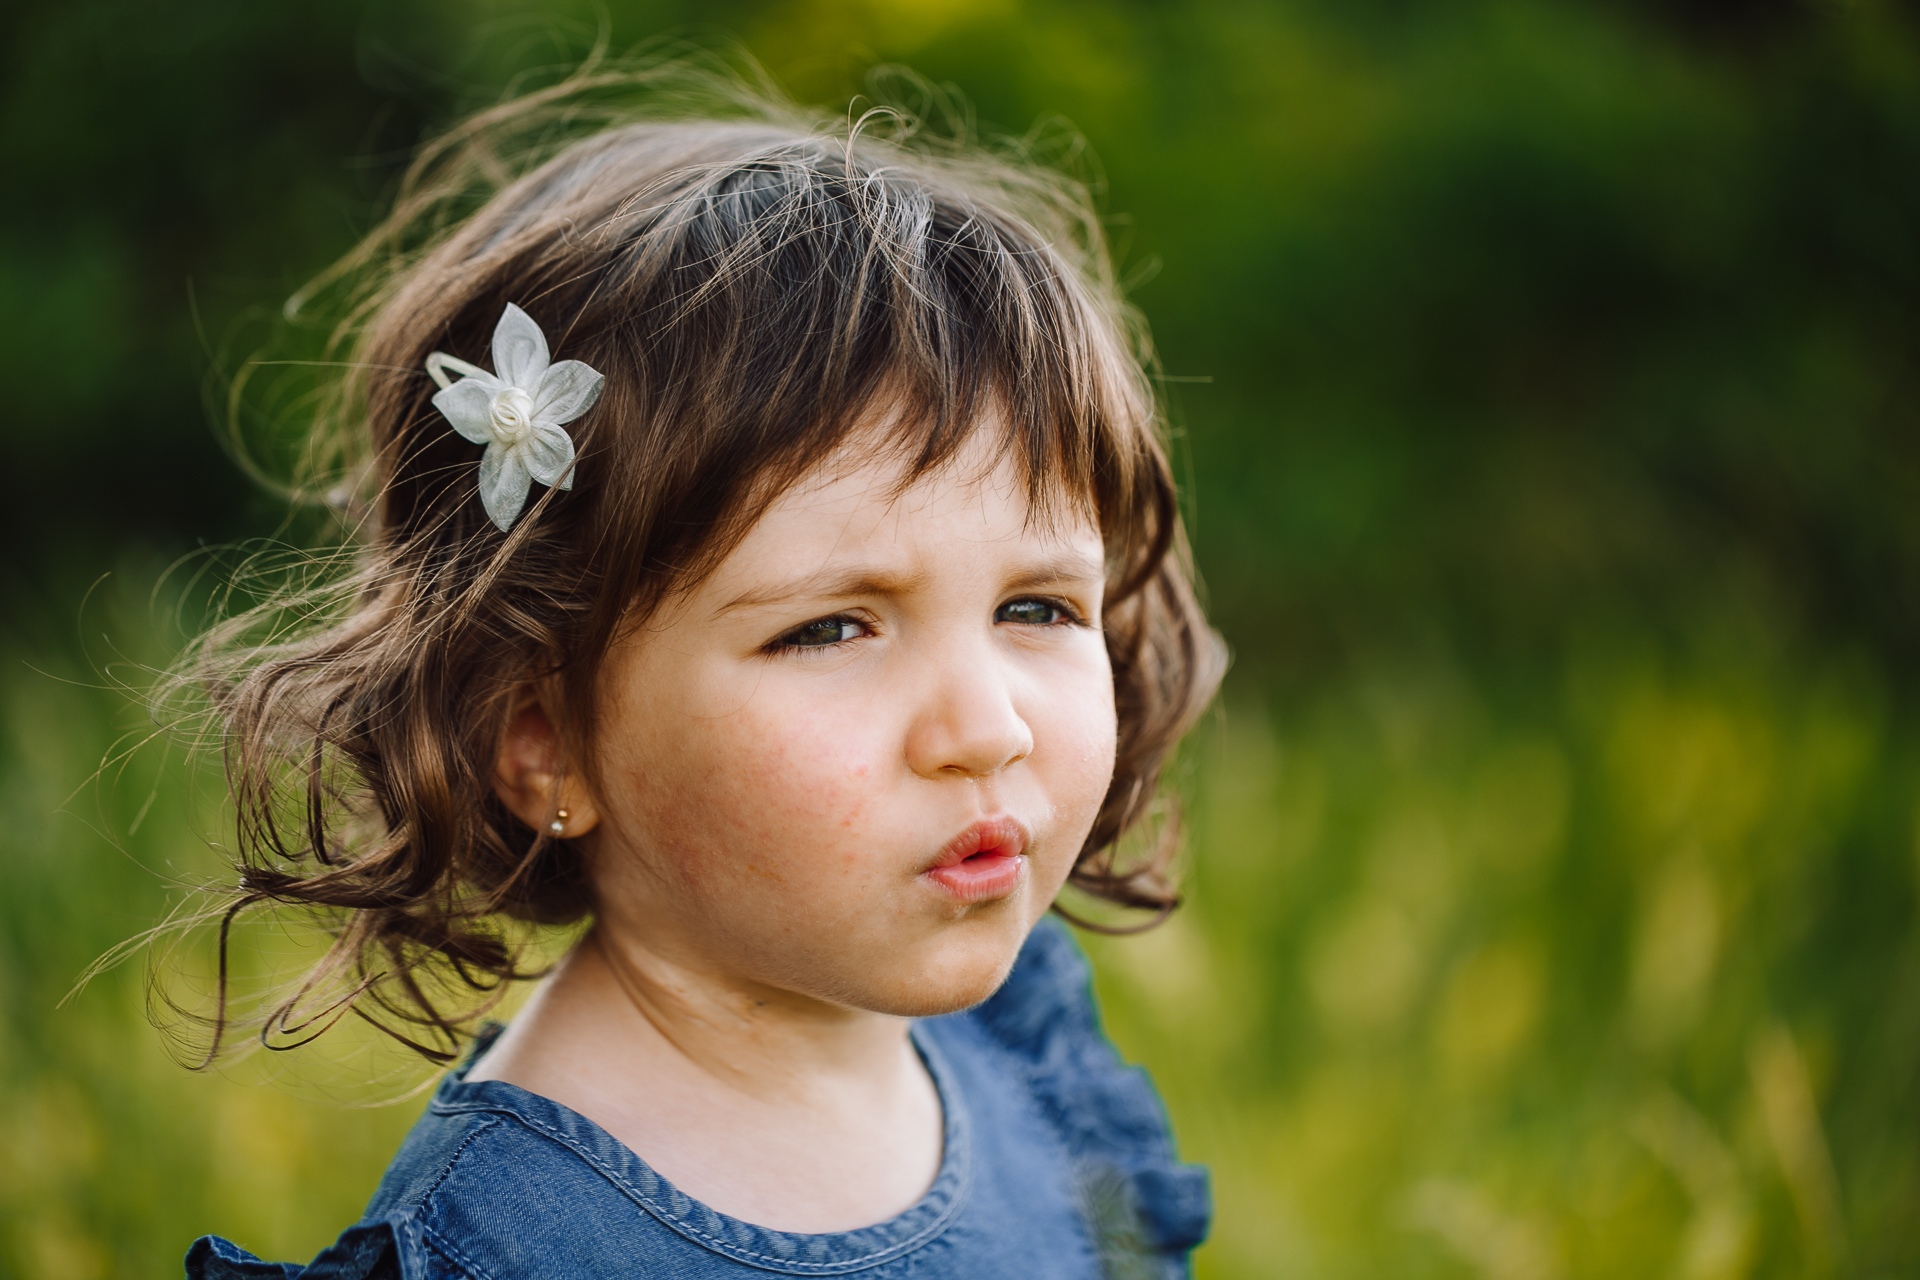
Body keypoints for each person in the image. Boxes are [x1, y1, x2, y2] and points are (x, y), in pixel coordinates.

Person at [179, 64, 1224, 1280]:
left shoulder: (1019, 1047)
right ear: (543, 740)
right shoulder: (510, 1250)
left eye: (1036, 605)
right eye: (833, 628)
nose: (986, 727)